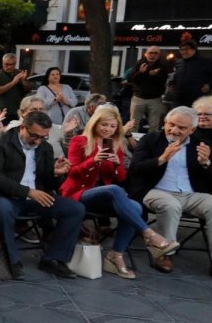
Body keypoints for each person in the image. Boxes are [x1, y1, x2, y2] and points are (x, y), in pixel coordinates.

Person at [61, 105, 179, 279]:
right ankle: (150, 235)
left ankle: (116, 256)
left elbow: (121, 179)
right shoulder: (80, 141)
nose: (108, 129)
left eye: (112, 126)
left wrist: (117, 165)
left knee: (135, 207)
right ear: (95, 123)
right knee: (116, 191)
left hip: (106, 196)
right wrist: (93, 161)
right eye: (104, 124)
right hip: (79, 193)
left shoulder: (116, 145)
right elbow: (71, 172)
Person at [128, 106, 212, 285]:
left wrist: (207, 163)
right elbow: (135, 170)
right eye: (171, 124)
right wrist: (161, 159)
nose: (175, 130)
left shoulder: (199, 144)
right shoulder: (151, 140)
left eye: (182, 128)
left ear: (191, 130)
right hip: (156, 191)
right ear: (164, 122)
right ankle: (164, 252)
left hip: (190, 194)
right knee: (170, 205)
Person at [0, 111, 84, 280]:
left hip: (35, 197)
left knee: (75, 209)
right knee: (2, 209)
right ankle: (11, 261)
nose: (37, 141)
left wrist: (56, 173)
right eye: (34, 136)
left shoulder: (45, 147)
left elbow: (49, 184)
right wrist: (27, 192)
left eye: (43, 137)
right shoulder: (1, 142)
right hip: (3, 196)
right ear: (23, 128)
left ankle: (54, 259)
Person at [170, 40, 212, 109]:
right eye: (181, 49)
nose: (183, 51)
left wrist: (210, 85)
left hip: (197, 99)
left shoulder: (205, 62)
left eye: (186, 49)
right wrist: (173, 84)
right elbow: (177, 76)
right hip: (179, 99)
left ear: (194, 50)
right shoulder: (179, 62)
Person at [127, 46, 171, 131]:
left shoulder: (162, 65)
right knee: (133, 124)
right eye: (150, 53)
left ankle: (151, 142)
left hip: (155, 99)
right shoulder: (139, 63)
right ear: (145, 54)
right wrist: (141, 72)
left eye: (155, 53)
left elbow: (163, 81)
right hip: (138, 97)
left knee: (154, 125)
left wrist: (154, 75)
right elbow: (130, 79)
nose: (153, 55)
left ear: (159, 55)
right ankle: (131, 142)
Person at [0, 53, 31, 121]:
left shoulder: (19, 73)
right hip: (2, 110)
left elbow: (29, 89)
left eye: (11, 64)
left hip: (18, 110)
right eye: (6, 64)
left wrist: (23, 81)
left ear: (15, 64)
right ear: (2, 63)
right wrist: (13, 82)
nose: (8, 66)